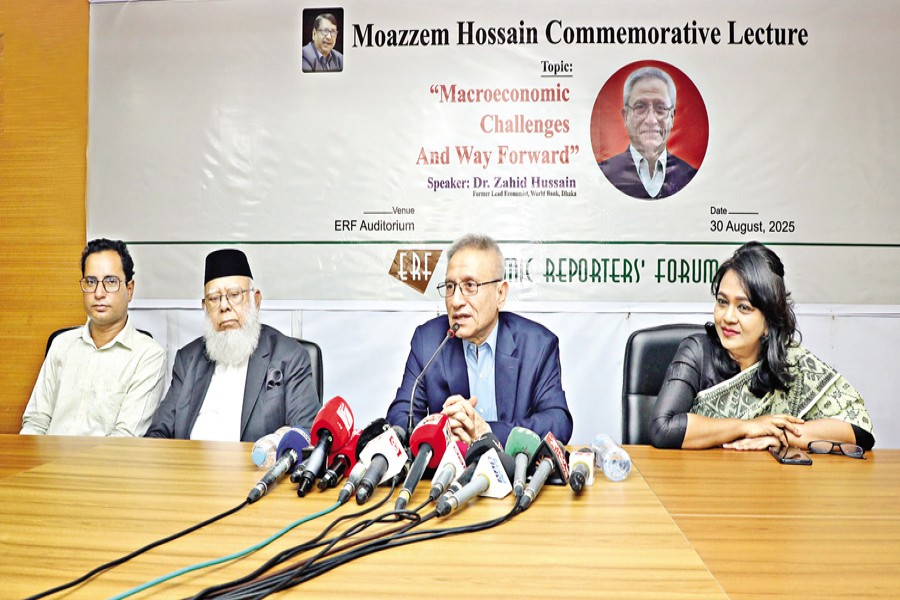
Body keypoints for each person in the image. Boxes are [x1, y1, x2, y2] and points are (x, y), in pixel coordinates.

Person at [650, 241, 875, 451]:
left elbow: (860, 430)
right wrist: (748, 426)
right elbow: (663, 429)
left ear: (768, 321)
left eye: (744, 307)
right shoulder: (696, 351)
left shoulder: (791, 363)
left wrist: (782, 435)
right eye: (722, 302)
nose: (728, 317)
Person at [386, 234, 573, 446]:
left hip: (514, 474)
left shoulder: (537, 346)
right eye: (450, 287)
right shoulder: (427, 341)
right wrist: (442, 430)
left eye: (470, 286)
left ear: (500, 294)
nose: (456, 301)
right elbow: (400, 417)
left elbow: (558, 423)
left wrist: (486, 431)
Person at [145, 249, 320, 442]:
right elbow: (157, 434)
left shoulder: (290, 356)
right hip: (192, 469)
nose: (224, 306)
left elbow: (305, 433)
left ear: (256, 300)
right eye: (214, 298)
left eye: (234, 294)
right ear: (205, 307)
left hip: (257, 470)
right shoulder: (188, 360)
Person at [21, 239, 167, 436]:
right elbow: (36, 422)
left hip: (104, 464)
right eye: (90, 282)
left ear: (129, 289)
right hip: (47, 462)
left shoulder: (148, 356)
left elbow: (125, 437)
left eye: (110, 282)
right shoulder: (61, 345)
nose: (99, 293)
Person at [599, 66, 697, 200]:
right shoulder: (603, 175)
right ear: (626, 116)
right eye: (640, 107)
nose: (651, 120)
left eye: (661, 108)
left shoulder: (690, 177)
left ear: (672, 117)